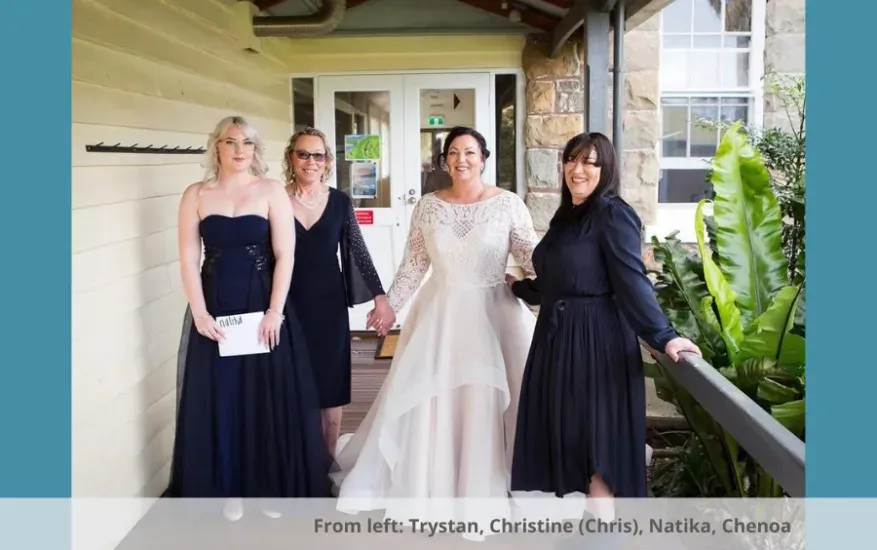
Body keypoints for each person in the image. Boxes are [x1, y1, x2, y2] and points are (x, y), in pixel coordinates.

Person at [330, 126, 539, 536]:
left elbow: (533, 258)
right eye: (454, 153)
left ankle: (488, 482)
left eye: (470, 152)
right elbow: (414, 265)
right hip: (441, 317)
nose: (462, 160)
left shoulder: (508, 205)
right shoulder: (428, 206)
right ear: (445, 160)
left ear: (483, 158)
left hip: (495, 316)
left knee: (493, 398)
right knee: (433, 398)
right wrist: (389, 306)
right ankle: (434, 481)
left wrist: (553, 287)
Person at [506, 132, 701, 522]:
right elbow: (557, 278)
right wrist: (518, 288)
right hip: (560, 340)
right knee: (573, 440)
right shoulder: (568, 216)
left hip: (596, 342)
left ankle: (604, 530)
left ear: (606, 169)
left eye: (589, 162)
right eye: (571, 160)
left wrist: (664, 336)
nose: (577, 170)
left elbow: (632, 280)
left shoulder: (612, 213)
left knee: (597, 447)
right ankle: (593, 527)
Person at [167, 116, 331, 521]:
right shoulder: (196, 194)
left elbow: (285, 255)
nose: (239, 150)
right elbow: (188, 259)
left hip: (263, 308)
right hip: (215, 309)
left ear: (256, 150)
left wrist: (275, 312)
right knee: (222, 398)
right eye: (230, 141)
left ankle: (269, 488)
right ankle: (230, 489)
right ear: (217, 147)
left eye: (247, 143)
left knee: (266, 396)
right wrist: (200, 313)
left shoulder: (271, 190)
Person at [282, 127, 392, 458]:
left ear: (327, 161)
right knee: (291, 383)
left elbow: (358, 251)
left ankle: (327, 464)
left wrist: (380, 296)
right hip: (286, 305)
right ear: (291, 158)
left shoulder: (340, 202)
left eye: (318, 155)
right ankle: (298, 461)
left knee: (330, 387)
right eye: (303, 154)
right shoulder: (275, 199)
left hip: (328, 307)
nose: (310, 161)